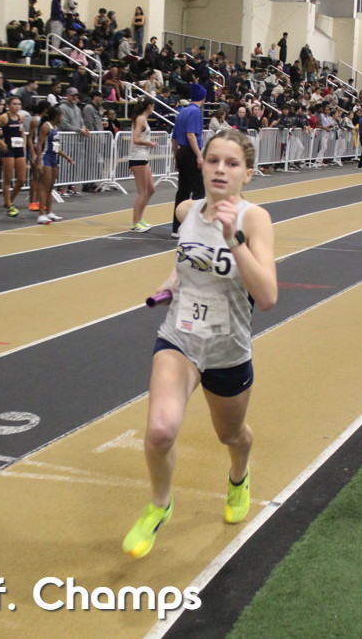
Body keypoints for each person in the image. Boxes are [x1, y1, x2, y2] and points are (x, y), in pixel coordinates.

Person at [122, 129, 278, 559]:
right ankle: (159, 506)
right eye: (213, 161)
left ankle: (239, 477)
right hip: (180, 337)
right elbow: (188, 264)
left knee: (231, 435)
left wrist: (233, 239)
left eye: (232, 163)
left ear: (248, 173)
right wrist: (171, 283)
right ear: (201, 165)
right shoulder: (186, 210)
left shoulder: (254, 220)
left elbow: (267, 296)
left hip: (228, 348)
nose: (221, 170)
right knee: (160, 430)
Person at [170, 83, 207, 238]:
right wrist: (199, 155)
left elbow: (174, 138)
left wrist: (176, 157)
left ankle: (177, 227)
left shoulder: (182, 111)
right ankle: (195, 227)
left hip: (181, 152)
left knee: (183, 191)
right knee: (199, 190)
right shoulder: (195, 112)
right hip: (191, 153)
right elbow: (191, 134)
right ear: (203, 98)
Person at [0, 96, 28, 217]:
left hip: (19, 149)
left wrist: (24, 143)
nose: (17, 106)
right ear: (8, 106)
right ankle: (9, 206)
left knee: (22, 179)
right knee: (8, 179)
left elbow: (21, 131)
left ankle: (10, 200)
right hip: (8, 149)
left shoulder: (21, 117)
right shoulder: (4, 117)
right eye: (14, 104)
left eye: (19, 104)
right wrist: (1, 142)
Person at [34, 105, 74, 224]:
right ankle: (41, 214)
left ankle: (49, 212)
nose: (62, 117)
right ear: (56, 116)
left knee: (50, 186)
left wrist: (67, 157)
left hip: (53, 158)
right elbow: (40, 144)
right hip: (46, 157)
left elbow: (56, 147)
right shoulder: (46, 126)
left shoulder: (55, 127)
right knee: (44, 186)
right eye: (61, 115)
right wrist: (39, 162)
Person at [128, 100, 158, 232]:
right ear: (149, 106)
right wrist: (149, 143)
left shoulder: (143, 120)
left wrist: (149, 142)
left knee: (151, 189)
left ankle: (140, 218)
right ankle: (135, 223)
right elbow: (136, 139)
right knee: (143, 192)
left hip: (143, 157)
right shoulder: (140, 119)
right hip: (137, 158)